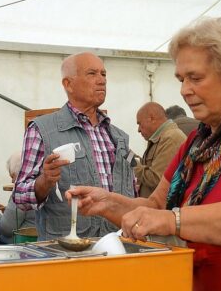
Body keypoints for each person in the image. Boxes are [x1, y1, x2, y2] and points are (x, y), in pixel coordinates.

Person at [67, 17, 221, 291]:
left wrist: (174, 220)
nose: (184, 90)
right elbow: (156, 206)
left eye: (196, 77)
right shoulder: (198, 142)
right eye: (181, 79)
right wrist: (108, 203)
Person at [14, 52, 135, 241]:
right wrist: (45, 181)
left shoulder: (119, 137)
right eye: (92, 73)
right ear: (68, 84)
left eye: (103, 74)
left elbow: (132, 194)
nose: (101, 80)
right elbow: (20, 197)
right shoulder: (42, 130)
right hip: (67, 253)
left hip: (118, 247)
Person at [134, 102, 186, 197]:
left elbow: (156, 178)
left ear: (152, 118)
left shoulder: (171, 138)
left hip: (161, 209)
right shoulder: (161, 138)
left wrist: (132, 163)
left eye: (139, 123)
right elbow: (147, 167)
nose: (138, 130)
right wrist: (128, 155)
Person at [0, 152, 35, 244]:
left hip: (20, 248)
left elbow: (5, 229)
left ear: (19, 173)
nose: (12, 181)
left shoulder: (22, 190)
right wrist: (8, 211)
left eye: (12, 176)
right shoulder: (39, 184)